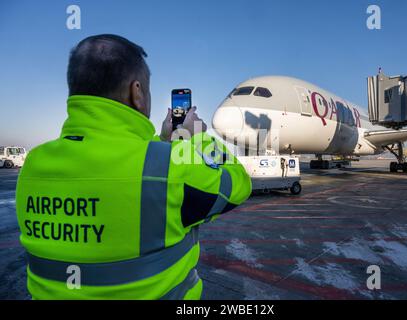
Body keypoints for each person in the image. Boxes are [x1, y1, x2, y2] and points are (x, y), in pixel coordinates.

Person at [15, 34, 252, 300]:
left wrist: (162, 141)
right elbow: (237, 184)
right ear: (136, 92)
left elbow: (126, 163)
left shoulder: (33, 165)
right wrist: (195, 135)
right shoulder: (168, 168)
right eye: (147, 90)